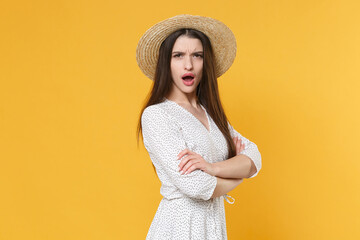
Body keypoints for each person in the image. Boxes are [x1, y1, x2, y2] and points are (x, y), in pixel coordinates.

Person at [136, 14, 262, 239]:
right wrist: (237, 176)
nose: (188, 65)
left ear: (206, 62)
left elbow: (254, 159)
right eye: (178, 55)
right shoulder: (157, 115)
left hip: (214, 229)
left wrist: (212, 168)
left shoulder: (211, 114)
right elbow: (196, 186)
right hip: (179, 230)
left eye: (197, 55)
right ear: (166, 63)